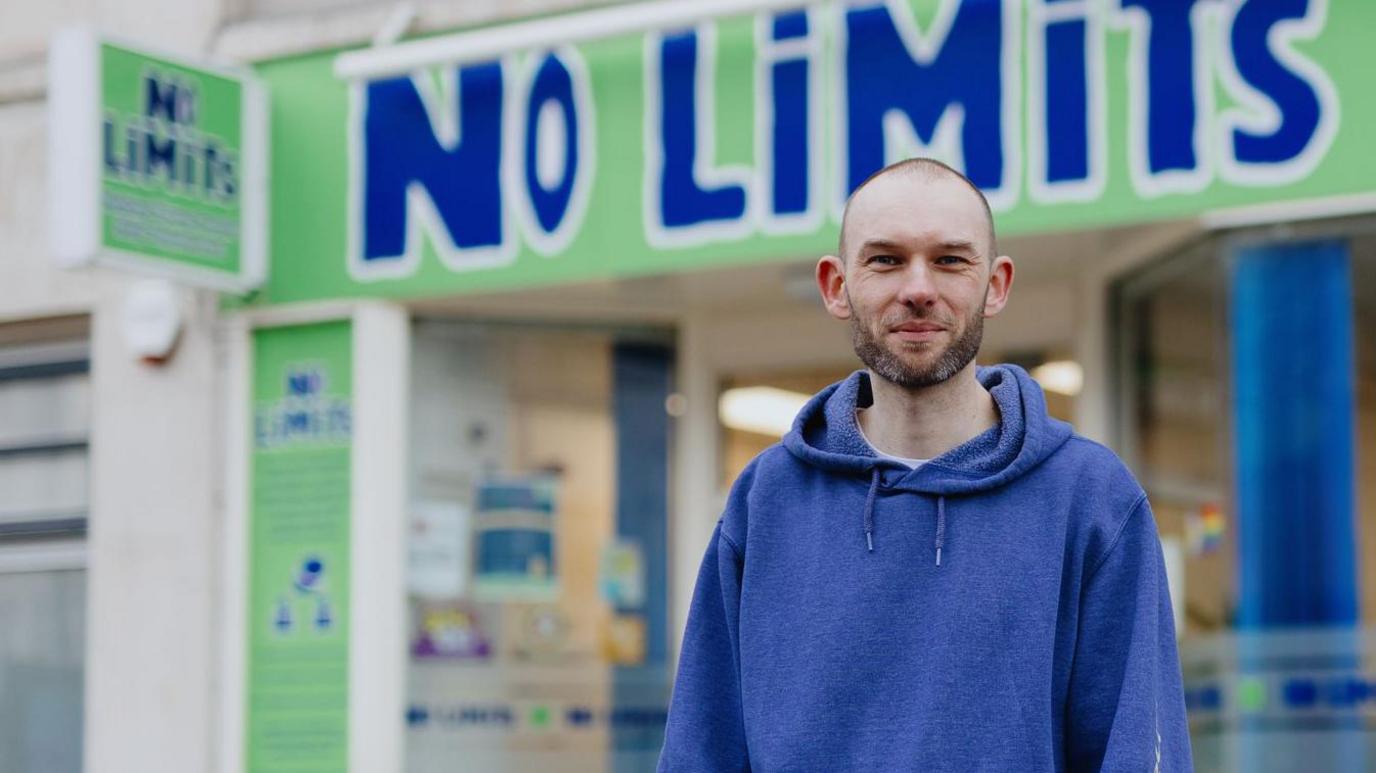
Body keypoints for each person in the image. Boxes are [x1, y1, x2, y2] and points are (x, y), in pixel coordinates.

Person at [657, 158, 1192, 771]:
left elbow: (1136, 751)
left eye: (950, 260)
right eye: (885, 259)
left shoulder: (1091, 500)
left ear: (995, 284)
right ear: (837, 285)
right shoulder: (766, 499)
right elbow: (703, 749)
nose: (918, 288)